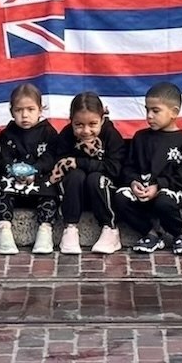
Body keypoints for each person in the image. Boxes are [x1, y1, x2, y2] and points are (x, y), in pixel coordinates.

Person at [117, 81, 182, 255]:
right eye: (147, 110)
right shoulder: (140, 137)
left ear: (174, 112)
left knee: (163, 202)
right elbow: (128, 168)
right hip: (143, 190)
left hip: (168, 191)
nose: (149, 116)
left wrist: (159, 186)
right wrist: (133, 182)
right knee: (120, 199)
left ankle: (180, 234)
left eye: (155, 110)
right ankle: (151, 234)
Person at [0, 82, 63, 254]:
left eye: (30, 109)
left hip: (38, 179)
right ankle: (4, 229)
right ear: (11, 111)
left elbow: (49, 158)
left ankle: (45, 230)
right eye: (19, 110)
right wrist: (14, 171)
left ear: (40, 110)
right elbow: (4, 158)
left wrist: (34, 171)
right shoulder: (8, 133)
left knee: (51, 188)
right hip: (14, 180)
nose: (25, 115)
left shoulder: (48, 132)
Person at [53, 91, 126, 254]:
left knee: (95, 178)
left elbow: (115, 168)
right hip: (74, 195)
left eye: (93, 124)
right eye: (79, 125)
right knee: (74, 175)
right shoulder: (66, 135)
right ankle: (70, 228)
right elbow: (59, 162)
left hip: (102, 194)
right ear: (71, 121)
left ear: (102, 119)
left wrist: (81, 162)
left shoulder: (111, 136)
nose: (86, 131)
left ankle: (110, 229)